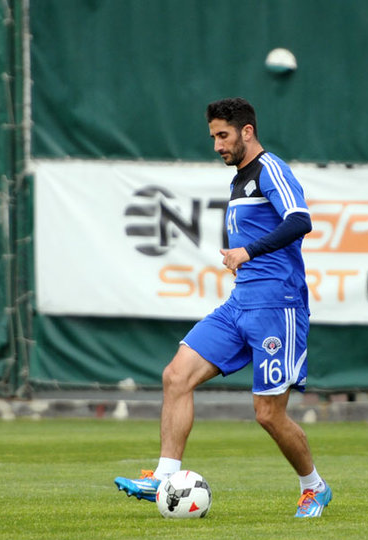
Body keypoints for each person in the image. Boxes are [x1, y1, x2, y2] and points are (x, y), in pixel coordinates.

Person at [115, 97, 332, 517]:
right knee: (176, 375)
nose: (217, 145)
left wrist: (247, 251)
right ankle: (164, 475)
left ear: (247, 131)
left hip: (277, 307)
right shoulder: (239, 180)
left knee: (268, 414)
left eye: (223, 135)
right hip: (239, 304)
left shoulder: (270, 169)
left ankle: (314, 487)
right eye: (213, 136)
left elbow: (300, 220)